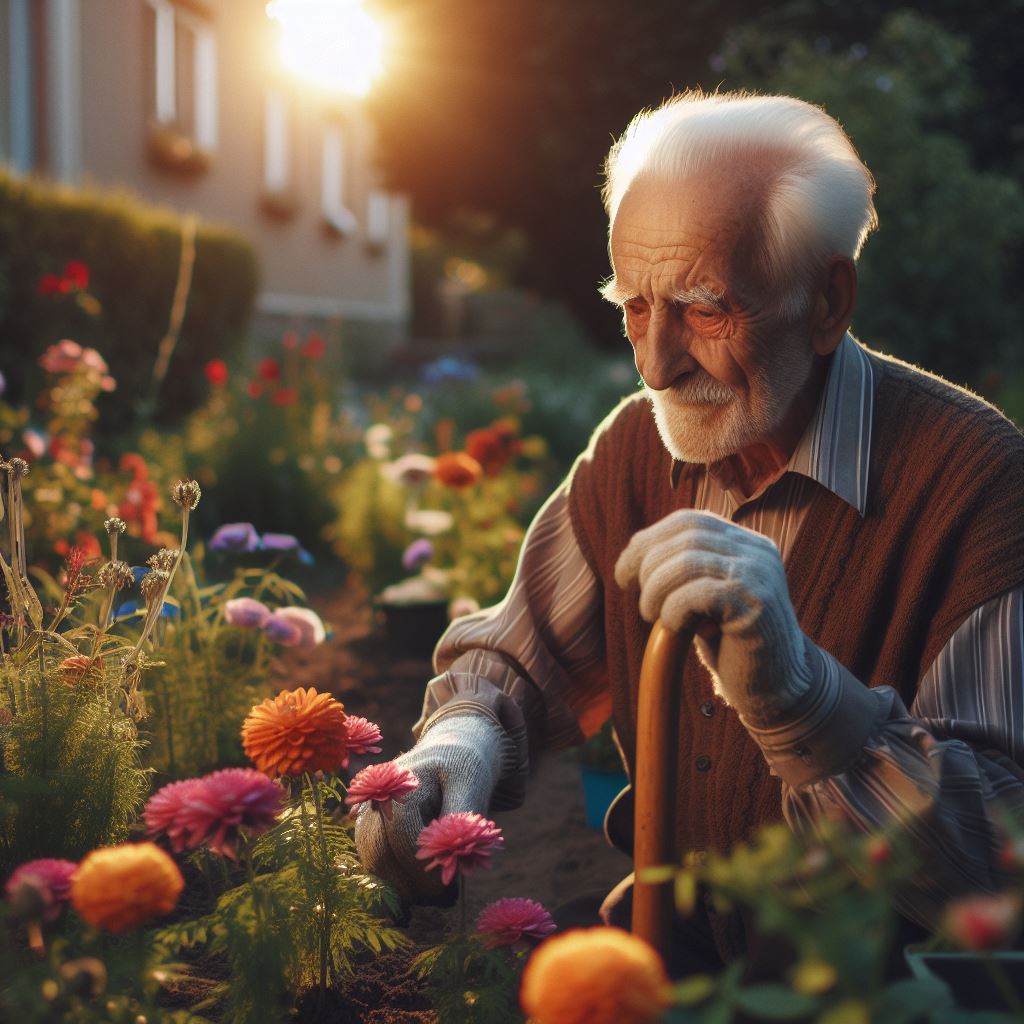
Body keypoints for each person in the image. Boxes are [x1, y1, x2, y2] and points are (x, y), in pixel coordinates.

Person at [355, 91, 1024, 969]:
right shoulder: (637, 447)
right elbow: (521, 656)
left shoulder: (977, 485)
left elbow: (997, 862)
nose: (655, 363)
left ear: (829, 300)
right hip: (670, 957)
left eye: (705, 309)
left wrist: (804, 703)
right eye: (635, 307)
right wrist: (460, 745)